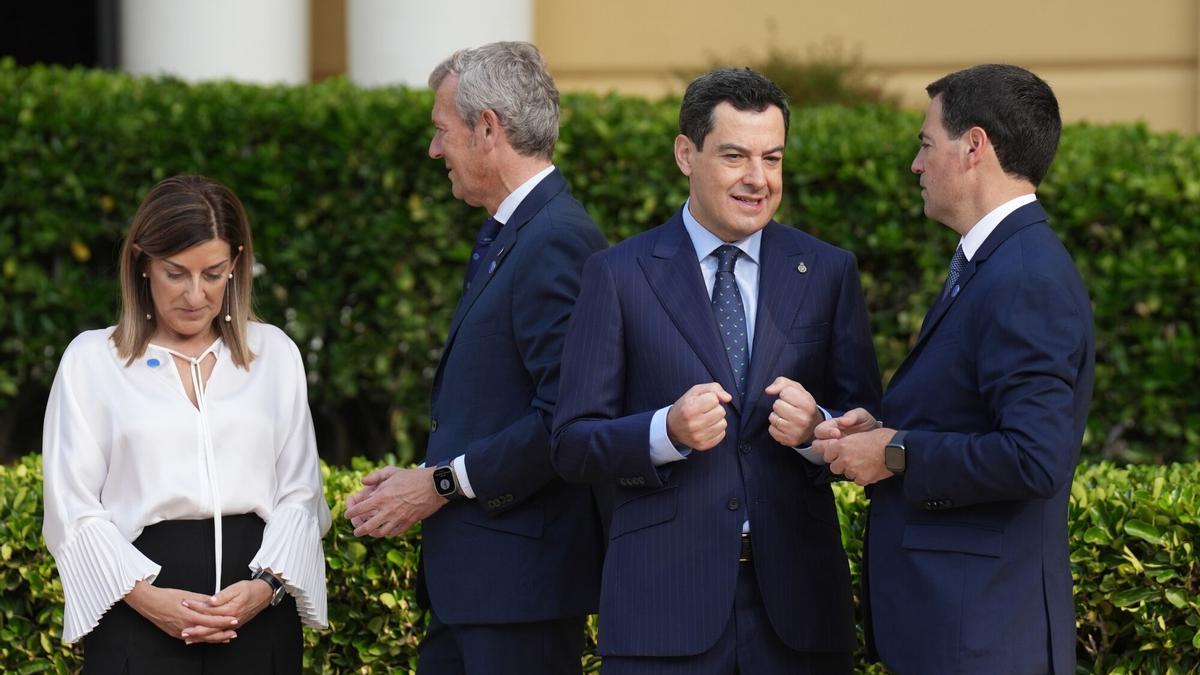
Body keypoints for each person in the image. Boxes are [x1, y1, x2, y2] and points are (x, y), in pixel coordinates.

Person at [551, 67, 881, 674]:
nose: (758, 179)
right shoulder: (617, 275)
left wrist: (818, 429)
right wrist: (665, 433)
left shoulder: (829, 272)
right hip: (662, 614)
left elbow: (868, 428)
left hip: (801, 614)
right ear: (686, 154)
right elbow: (572, 445)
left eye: (772, 158)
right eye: (735, 156)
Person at [812, 64, 1095, 674]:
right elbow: (970, 417)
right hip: (962, 632)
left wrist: (894, 451)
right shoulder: (997, 263)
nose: (916, 164)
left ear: (974, 147)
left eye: (925, 144)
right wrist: (880, 427)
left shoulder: (1023, 276)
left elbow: (1033, 457)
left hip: (981, 639)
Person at [343, 42, 607, 675]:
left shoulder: (555, 240)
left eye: (442, 132)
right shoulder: (518, 232)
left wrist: (438, 484)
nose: (436, 151)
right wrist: (425, 473)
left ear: (488, 128)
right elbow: (501, 403)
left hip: (520, 598)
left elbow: (563, 420)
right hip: (485, 593)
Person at [41, 175, 332, 673]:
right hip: (137, 613)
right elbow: (72, 506)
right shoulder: (92, 361)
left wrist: (267, 587)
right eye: (176, 273)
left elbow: (301, 493)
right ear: (141, 264)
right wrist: (148, 599)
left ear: (236, 265)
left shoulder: (275, 354)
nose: (195, 295)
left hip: (258, 613)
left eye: (213, 273)